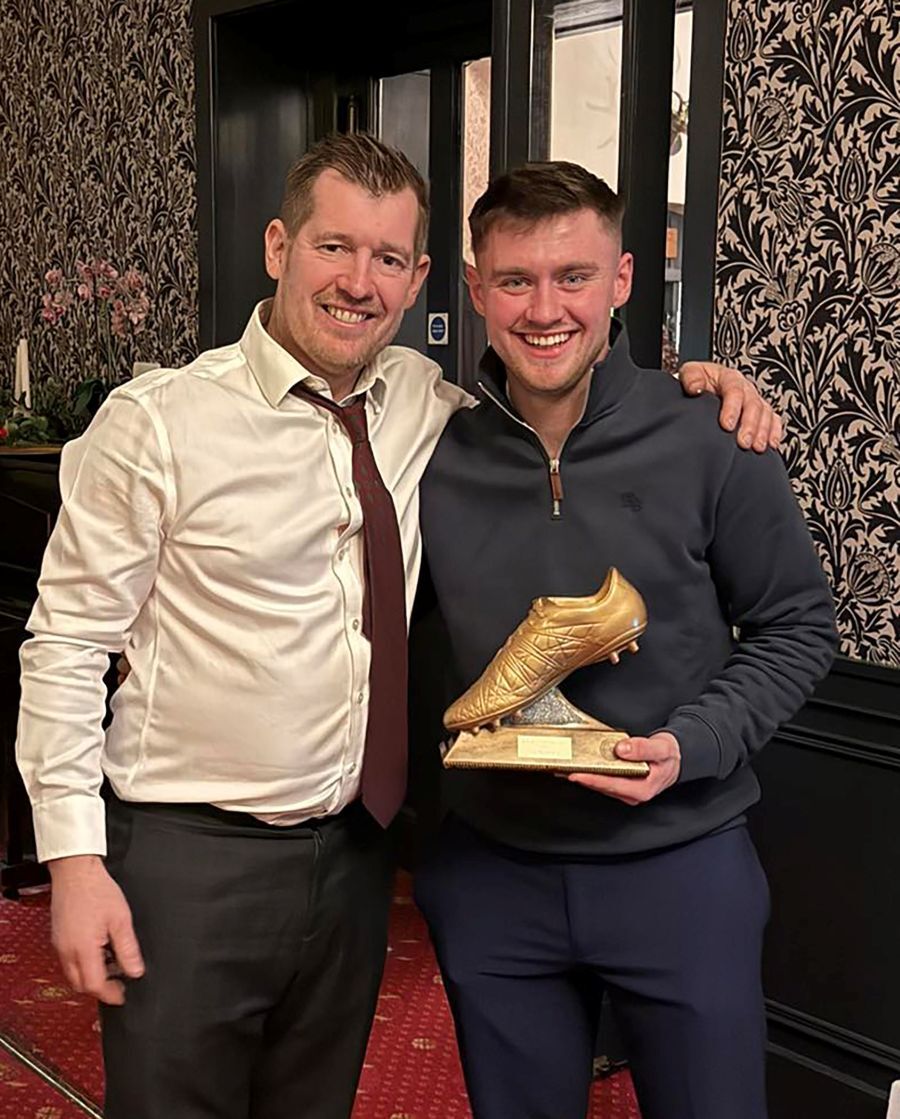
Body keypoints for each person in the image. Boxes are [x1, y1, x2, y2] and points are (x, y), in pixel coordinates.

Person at [16, 134, 778, 1119]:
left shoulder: (430, 406)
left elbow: (561, 405)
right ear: (279, 246)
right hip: (194, 858)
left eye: (387, 258)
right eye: (335, 248)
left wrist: (696, 390)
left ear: (421, 278)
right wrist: (73, 862)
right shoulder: (157, 423)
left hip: (359, 862)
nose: (358, 282)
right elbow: (68, 646)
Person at [414, 162, 838, 1119]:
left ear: (623, 280)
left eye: (574, 275)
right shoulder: (428, 447)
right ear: (476, 290)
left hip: (681, 865)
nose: (544, 308)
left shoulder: (713, 432)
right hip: (494, 870)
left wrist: (692, 744)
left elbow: (797, 626)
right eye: (515, 280)